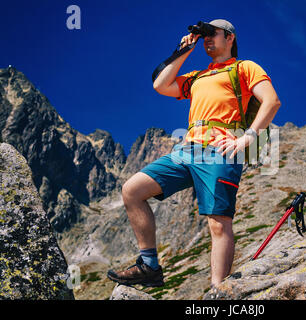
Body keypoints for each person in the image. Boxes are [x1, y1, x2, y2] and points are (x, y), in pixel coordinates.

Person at [107, 19, 281, 288]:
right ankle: (150, 266)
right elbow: (161, 85)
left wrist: (247, 138)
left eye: (213, 34)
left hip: (220, 151)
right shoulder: (198, 76)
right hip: (187, 150)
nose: (207, 39)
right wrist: (184, 50)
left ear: (230, 38)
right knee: (132, 190)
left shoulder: (244, 68)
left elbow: (271, 101)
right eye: (205, 36)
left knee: (218, 224)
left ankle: (217, 291)